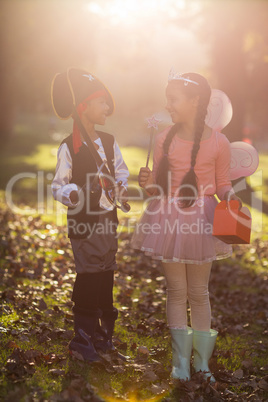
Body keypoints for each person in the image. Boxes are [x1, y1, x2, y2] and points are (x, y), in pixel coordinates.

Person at [131, 71, 242, 382]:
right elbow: (158, 188)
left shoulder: (219, 142)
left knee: (199, 291)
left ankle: (202, 363)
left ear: (195, 101)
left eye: (173, 99)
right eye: (167, 99)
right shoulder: (165, 137)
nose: (168, 105)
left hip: (203, 220)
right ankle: (180, 363)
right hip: (168, 216)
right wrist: (148, 184)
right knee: (176, 290)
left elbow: (222, 183)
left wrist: (231, 196)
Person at [51, 68, 129, 363]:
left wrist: (119, 187)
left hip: (108, 219)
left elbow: (120, 171)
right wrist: (72, 193)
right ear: (82, 106)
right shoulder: (69, 146)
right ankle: (81, 338)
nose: (107, 108)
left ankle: (102, 333)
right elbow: (59, 184)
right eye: (101, 103)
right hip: (84, 221)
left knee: (106, 271)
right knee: (89, 274)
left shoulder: (108, 141)